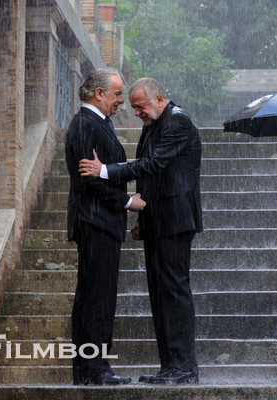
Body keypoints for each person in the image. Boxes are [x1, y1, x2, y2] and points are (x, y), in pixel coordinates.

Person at [78, 78, 203, 384]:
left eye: (140, 106)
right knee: (160, 295)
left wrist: (104, 170)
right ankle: (170, 366)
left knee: (174, 292)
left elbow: (152, 165)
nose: (136, 113)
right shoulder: (155, 122)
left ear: (159, 98)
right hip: (158, 222)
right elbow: (152, 179)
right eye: (133, 107)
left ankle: (184, 367)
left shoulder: (178, 122)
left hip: (176, 222)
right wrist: (143, 221)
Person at [66, 69, 145, 385]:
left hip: (100, 223)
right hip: (95, 222)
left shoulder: (96, 123)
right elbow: (90, 179)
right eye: (117, 94)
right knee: (96, 298)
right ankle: (95, 368)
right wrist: (128, 202)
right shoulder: (86, 124)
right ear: (98, 93)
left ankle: (88, 369)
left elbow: (102, 172)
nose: (121, 100)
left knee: (95, 296)